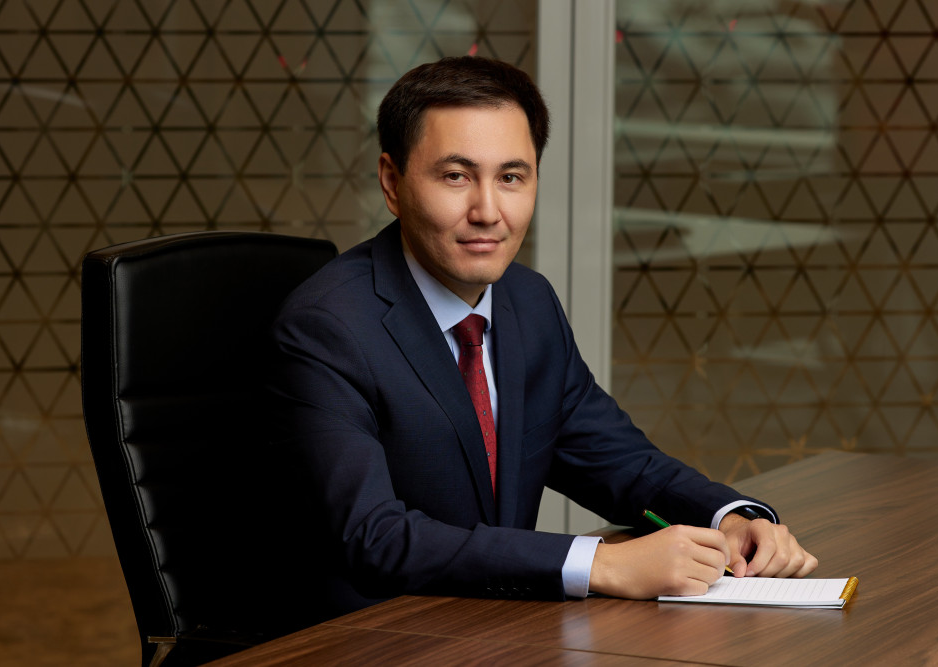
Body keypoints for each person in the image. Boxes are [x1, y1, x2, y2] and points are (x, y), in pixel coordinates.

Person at [267, 56, 817, 619]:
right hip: (371, 636)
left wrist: (731, 518)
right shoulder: (328, 328)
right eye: (456, 177)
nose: (488, 212)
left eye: (511, 177)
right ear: (392, 181)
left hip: (500, 630)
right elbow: (372, 535)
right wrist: (600, 564)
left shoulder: (527, 302)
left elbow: (619, 462)